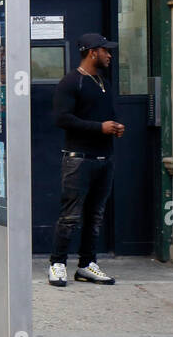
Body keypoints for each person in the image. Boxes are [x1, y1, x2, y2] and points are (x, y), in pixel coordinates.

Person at [49, 32, 124, 287]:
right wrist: (99, 128)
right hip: (78, 158)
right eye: (106, 50)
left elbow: (104, 116)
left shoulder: (103, 81)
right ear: (93, 52)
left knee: (96, 215)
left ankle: (86, 265)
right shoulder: (71, 82)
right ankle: (57, 264)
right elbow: (62, 119)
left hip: (105, 157)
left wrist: (114, 127)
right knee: (70, 215)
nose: (109, 55)